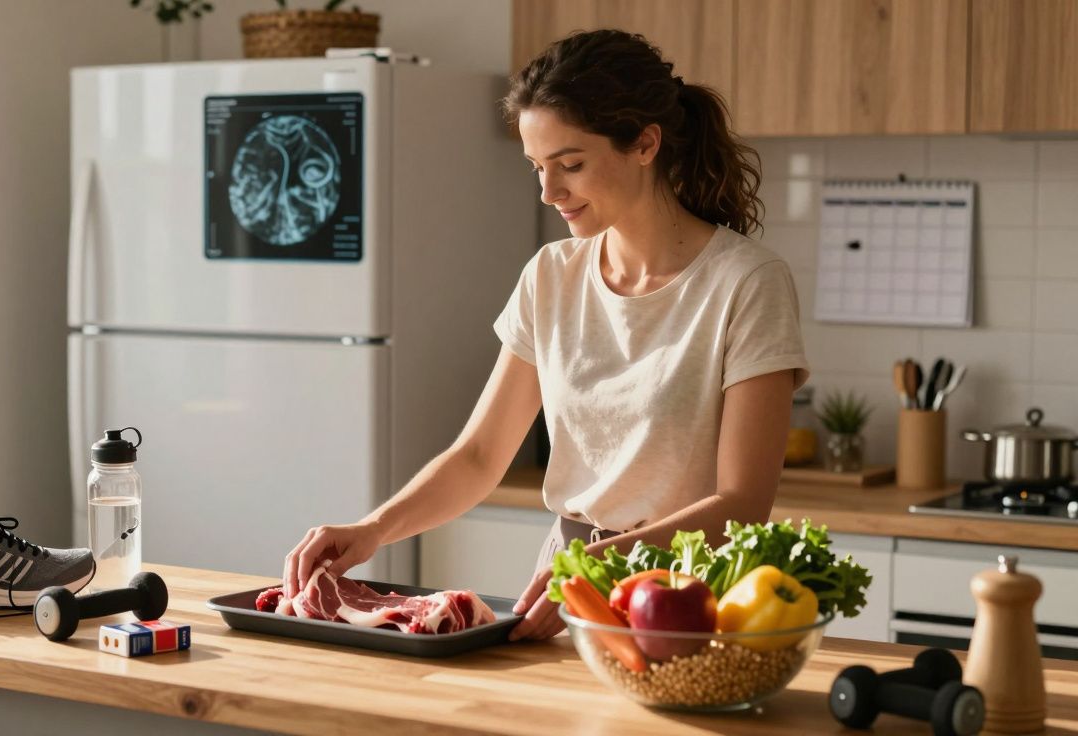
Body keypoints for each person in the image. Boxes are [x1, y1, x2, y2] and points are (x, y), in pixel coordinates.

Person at [280, 29, 809, 641]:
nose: (548, 192)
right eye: (537, 166)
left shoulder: (748, 281)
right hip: (565, 588)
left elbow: (743, 503)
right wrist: (370, 530)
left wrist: (593, 568)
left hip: (688, 600)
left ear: (645, 143)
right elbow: (480, 455)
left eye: (571, 165)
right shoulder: (552, 274)